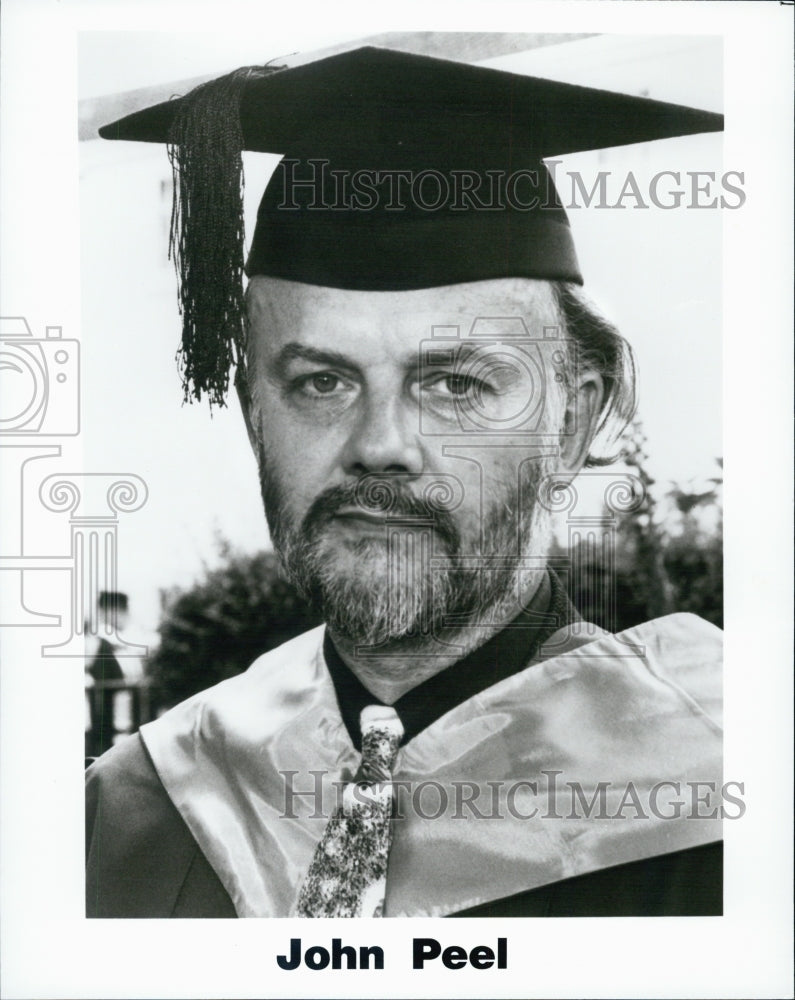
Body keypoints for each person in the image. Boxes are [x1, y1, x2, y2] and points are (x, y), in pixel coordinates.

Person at [86, 45, 724, 918]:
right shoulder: (133, 815)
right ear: (251, 412)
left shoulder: (723, 797)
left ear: (572, 423)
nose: (380, 446)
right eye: (321, 382)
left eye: (454, 384)